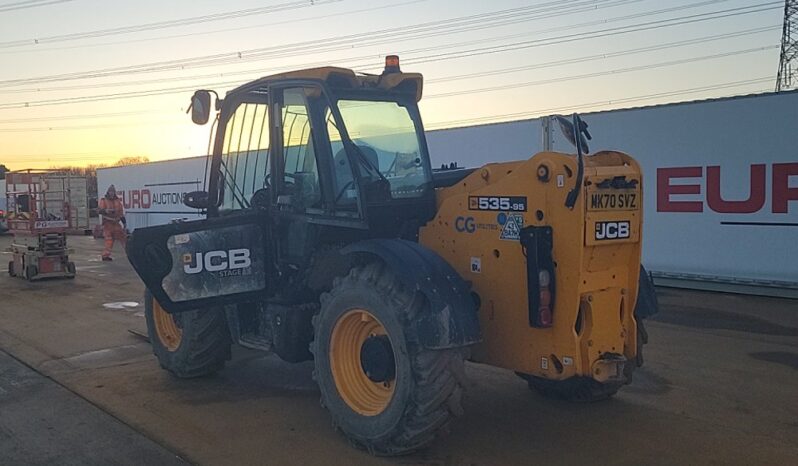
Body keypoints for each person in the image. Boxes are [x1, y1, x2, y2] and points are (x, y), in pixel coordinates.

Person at [98, 185, 127, 261]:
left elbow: (121, 213)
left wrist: (124, 223)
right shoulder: (103, 200)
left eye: (113, 192)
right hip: (108, 223)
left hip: (116, 223)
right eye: (111, 192)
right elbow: (99, 210)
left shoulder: (117, 201)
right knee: (109, 240)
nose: (112, 193)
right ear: (108, 192)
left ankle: (129, 252)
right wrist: (105, 211)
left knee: (123, 238)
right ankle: (105, 255)